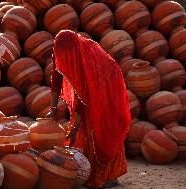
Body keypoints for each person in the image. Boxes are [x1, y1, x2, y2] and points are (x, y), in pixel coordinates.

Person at [46, 30, 131, 189]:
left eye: (67, 55)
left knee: (102, 127)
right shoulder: (59, 51)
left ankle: (109, 176)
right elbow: (56, 77)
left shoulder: (84, 58)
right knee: (83, 130)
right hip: (89, 86)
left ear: (74, 51)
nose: (65, 59)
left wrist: (73, 128)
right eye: (61, 55)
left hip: (106, 81)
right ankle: (86, 173)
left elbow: (82, 98)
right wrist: (52, 108)